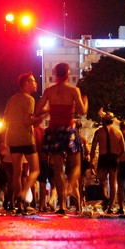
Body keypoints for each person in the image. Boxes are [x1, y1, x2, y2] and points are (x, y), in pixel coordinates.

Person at [35, 62, 88, 214]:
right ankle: (71, 185)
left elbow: (38, 110)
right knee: (76, 165)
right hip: (68, 131)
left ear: (55, 74)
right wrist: (86, 100)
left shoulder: (49, 91)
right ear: (68, 74)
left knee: (58, 170)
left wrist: (49, 109)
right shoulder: (73, 90)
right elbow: (82, 111)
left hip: (53, 132)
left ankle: (62, 206)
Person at [3, 73, 43, 215]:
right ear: (26, 83)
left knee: (17, 173)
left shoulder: (12, 99)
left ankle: (19, 206)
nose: (35, 83)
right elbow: (27, 122)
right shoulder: (30, 99)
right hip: (26, 138)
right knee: (35, 169)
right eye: (32, 81)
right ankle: (23, 193)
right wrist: (42, 117)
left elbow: (6, 119)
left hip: (13, 139)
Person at [89, 109, 125, 214]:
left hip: (103, 157)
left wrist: (91, 160)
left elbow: (93, 147)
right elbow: (123, 149)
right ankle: (110, 206)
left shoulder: (99, 132)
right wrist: (117, 156)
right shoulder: (118, 132)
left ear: (104, 121)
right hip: (114, 158)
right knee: (113, 182)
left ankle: (105, 197)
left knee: (102, 181)